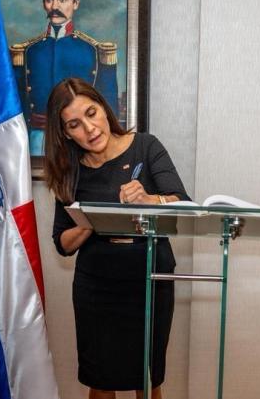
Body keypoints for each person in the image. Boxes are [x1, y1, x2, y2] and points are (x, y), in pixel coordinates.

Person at [44, 77, 188, 399]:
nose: (90, 129)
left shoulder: (146, 146)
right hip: (97, 286)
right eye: (75, 125)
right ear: (66, 132)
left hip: (149, 278)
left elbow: (182, 202)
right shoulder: (70, 170)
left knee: (147, 378)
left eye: (92, 113)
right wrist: (91, 221)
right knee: (101, 378)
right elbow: (62, 243)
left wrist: (149, 200)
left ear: (105, 110)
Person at [13, 0, 120, 157]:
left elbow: (109, 107)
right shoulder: (28, 51)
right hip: (37, 139)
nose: (55, 6)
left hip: (82, 141)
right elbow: (18, 104)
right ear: (43, 3)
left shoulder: (94, 51)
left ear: (75, 3)